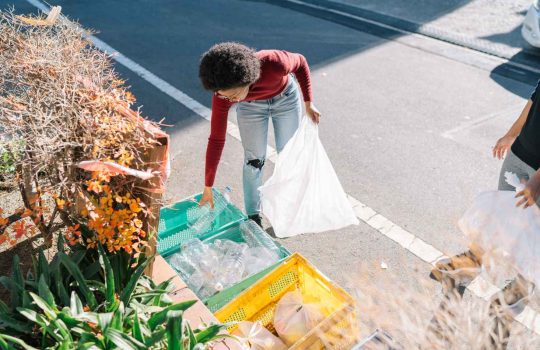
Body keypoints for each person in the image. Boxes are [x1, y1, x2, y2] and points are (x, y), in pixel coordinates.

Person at [197, 42, 321, 226]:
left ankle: (290, 208)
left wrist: (308, 103)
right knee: (253, 161)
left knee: (288, 156)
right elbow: (216, 139)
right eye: (225, 96)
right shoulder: (222, 96)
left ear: (246, 80)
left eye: (233, 95)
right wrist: (208, 185)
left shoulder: (274, 62)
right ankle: (254, 216)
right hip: (251, 107)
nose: (229, 100)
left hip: (285, 99)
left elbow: (301, 62)